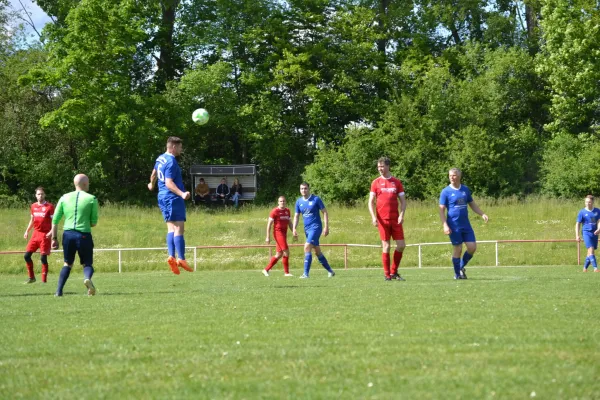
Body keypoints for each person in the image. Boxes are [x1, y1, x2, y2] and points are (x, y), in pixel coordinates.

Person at [148, 136, 194, 275]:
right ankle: (181, 259)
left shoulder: (161, 158)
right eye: (180, 147)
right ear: (173, 147)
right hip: (173, 197)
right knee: (179, 228)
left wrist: (151, 184)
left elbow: (154, 173)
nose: (181, 149)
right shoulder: (171, 162)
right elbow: (169, 183)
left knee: (171, 228)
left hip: (162, 197)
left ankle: (171, 256)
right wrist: (182, 194)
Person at [47, 174, 99, 296]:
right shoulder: (92, 199)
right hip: (84, 234)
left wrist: (54, 238)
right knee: (87, 263)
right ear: (85, 184)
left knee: (67, 263)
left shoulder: (64, 197)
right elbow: (93, 223)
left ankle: (58, 291)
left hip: (68, 235)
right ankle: (87, 278)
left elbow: (55, 220)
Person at [439, 168, 488, 280]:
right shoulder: (445, 191)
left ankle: (460, 267)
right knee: (458, 249)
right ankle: (457, 275)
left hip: (466, 225)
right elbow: (441, 210)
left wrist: (482, 214)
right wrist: (445, 225)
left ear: (459, 176)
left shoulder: (465, 189)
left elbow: (472, 204)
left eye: (454, 175)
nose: (452, 177)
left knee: (472, 247)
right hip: (454, 225)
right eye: (450, 175)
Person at [368, 157, 407, 281]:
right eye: (379, 167)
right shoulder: (376, 182)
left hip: (395, 219)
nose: (380, 169)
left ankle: (394, 271)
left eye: (382, 166)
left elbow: (403, 201)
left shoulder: (396, 182)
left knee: (401, 245)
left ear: (388, 166)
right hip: (382, 220)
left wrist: (402, 214)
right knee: (386, 246)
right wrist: (373, 217)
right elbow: (371, 202)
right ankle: (387, 275)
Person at [292, 182, 335, 278]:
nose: (304, 190)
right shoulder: (299, 202)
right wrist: (294, 228)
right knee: (317, 251)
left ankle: (305, 274)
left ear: (309, 189)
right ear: (300, 190)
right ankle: (330, 271)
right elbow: (296, 216)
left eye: (305, 188)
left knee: (307, 247)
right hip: (307, 229)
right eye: (302, 188)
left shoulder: (316, 199)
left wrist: (326, 226)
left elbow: (325, 212)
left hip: (316, 228)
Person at [23, 187, 55, 284]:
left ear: (44, 195)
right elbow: (32, 220)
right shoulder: (33, 206)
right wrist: (27, 231)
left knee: (43, 258)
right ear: (35, 195)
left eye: (42, 194)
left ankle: (44, 281)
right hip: (35, 234)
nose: (40, 196)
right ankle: (31, 277)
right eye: (38, 194)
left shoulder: (50, 207)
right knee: (26, 256)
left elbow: (54, 221)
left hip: (45, 235)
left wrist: (52, 233)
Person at [263, 196, 295, 277]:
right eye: (281, 201)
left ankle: (266, 269)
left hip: (284, 234)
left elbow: (290, 223)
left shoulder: (287, 211)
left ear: (286, 202)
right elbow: (269, 225)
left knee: (279, 254)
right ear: (278, 202)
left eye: (284, 201)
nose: (282, 202)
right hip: (278, 233)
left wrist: (294, 231)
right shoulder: (274, 211)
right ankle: (286, 273)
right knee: (286, 251)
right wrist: (267, 237)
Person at [575, 195, 600, 272]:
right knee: (591, 248)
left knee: (589, 252)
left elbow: (599, 221)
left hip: (595, 233)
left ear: (592, 202)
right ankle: (595, 268)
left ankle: (585, 268)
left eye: (589, 202)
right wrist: (577, 235)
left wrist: (599, 229)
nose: (587, 203)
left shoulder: (597, 211)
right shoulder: (582, 212)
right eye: (586, 202)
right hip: (586, 233)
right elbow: (577, 224)